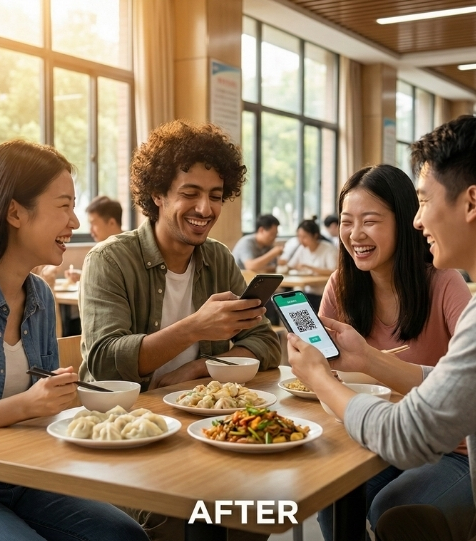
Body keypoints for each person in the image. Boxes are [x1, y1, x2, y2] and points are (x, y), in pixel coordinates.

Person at [287, 115, 476, 541]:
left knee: (390, 508)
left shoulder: (446, 285)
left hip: (445, 447)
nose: (418, 221)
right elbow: (451, 383)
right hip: (381, 437)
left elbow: (411, 431)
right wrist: (365, 360)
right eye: (345, 221)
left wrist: (319, 376)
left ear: (469, 203)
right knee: (336, 500)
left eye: (424, 202)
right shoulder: (344, 282)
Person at [0, 139, 148, 541]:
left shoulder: (39, 295)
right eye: (64, 206)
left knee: (126, 535)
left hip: (31, 475)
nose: (74, 222)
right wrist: (28, 403)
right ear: (15, 212)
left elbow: (43, 400)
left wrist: (58, 393)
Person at [81, 120, 280, 391]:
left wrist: (201, 367)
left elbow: (265, 342)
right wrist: (195, 327)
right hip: (125, 419)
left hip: (200, 412)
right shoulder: (110, 259)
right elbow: (105, 362)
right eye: (190, 194)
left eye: (215, 196)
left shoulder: (218, 258)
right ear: (157, 195)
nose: (205, 209)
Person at [279, 218, 337, 311]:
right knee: (283, 299)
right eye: (299, 237)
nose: (301, 240)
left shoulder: (329, 249)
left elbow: (334, 272)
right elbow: (291, 265)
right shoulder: (302, 248)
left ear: (315, 235)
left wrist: (309, 267)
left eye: (304, 237)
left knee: (295, 303)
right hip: (307, 292)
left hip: (324, 295)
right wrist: (283, 263)